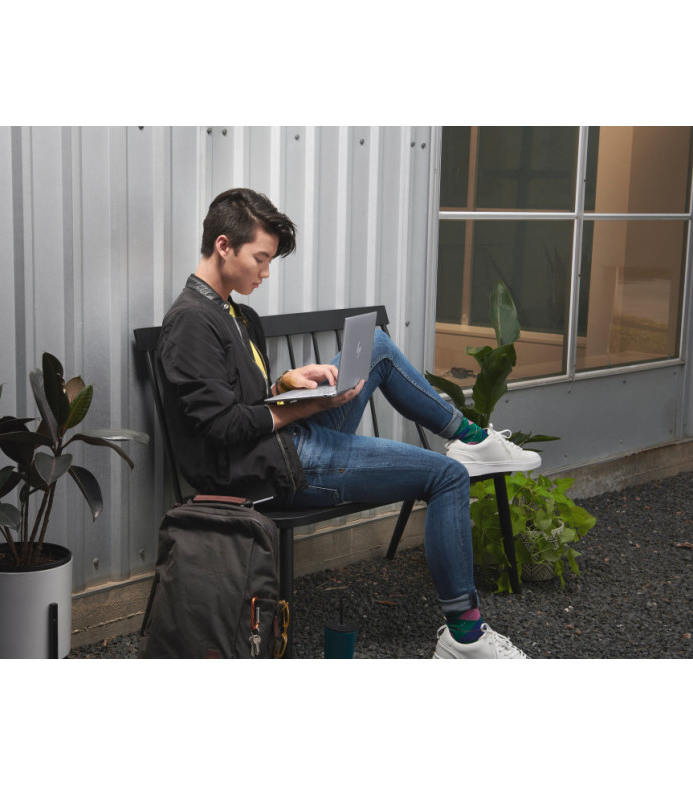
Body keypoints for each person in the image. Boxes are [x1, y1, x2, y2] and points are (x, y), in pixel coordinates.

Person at [158, 188, 542, 659]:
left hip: (284, 443)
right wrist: (305, 408)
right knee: (447, 476)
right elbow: (220, 426)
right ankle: (466, 639)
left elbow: (242, 400)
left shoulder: (235, 313)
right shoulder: (191, 322)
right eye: (261, 259)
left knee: (375, 345)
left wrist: (288, 382)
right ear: (223, 246)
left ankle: (472, 438)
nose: (266, 272)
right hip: (263, 473)